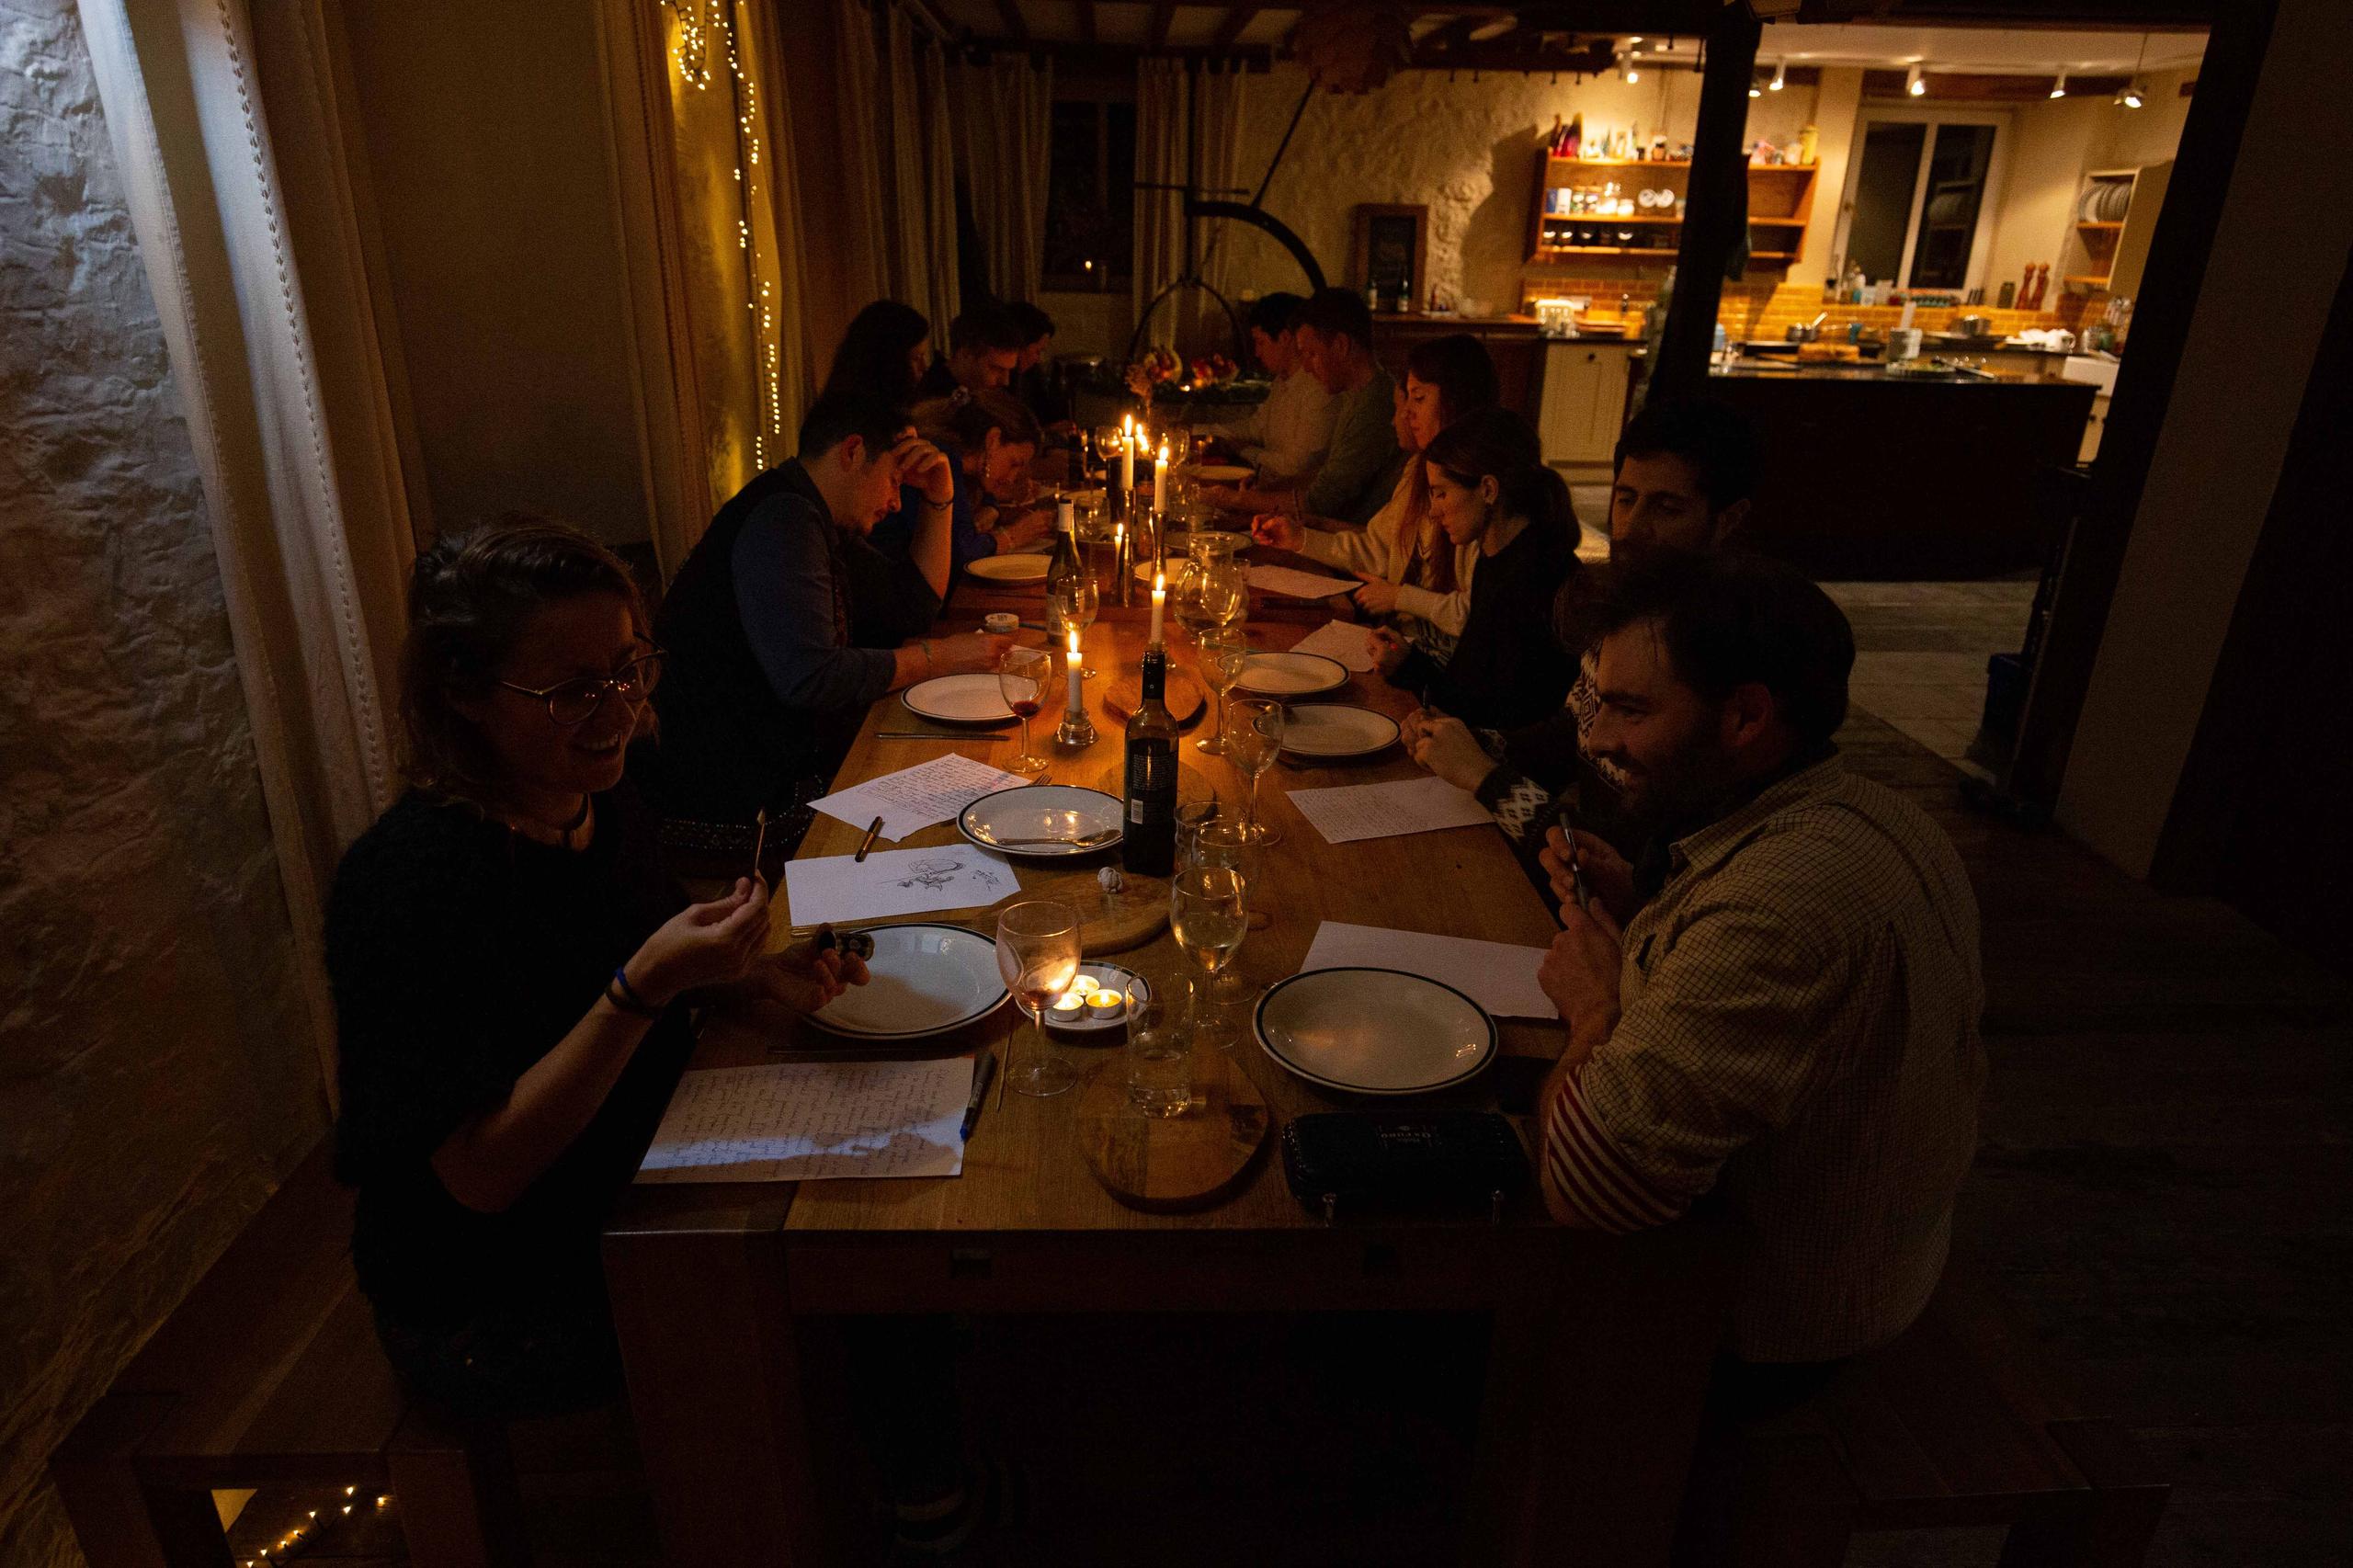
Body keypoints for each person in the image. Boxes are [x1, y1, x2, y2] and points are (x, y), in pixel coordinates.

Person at [330, 518, 864, 1420]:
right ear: (463, 691)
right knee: (834, 1295)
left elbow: (621, 962)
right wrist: (644, 988)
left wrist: (745, 976)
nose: (619, 709)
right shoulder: (409, 882)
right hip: (493, 1294)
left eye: (628, 667)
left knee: (871, 1215)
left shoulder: (597, 797)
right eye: (575, 689)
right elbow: (482, 1174)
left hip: (634, 1175)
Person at [1529, 550, 1984, 1374]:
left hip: (1763, 1324)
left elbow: (1586, 1187)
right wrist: (1646, 912)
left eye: (1631, 710)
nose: (1596, 737)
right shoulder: (1865, 808)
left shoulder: (1782, 907)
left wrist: (1595, 1006)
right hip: (1881, 1259)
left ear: (1746, 718)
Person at [1404, 399, 1761, 854]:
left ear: (1727, 521)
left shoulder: (1715, 657)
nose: (1631, 529)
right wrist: (1470, 742)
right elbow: (1569, 732)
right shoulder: (1623, 608)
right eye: (1626, 499)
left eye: (1667, 508)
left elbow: (1627, 859)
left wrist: (1486, 777)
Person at [643, 392, 1008, 823]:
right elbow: (812, 678)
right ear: (853, 452)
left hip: (769, 759)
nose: (895, 502)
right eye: (894, 478)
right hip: (734, 791)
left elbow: (914, 605)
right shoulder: (784, 520)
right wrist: (939, 657)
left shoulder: (814, 514)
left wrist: (939, 498)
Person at [1250, 331, 1498, 659]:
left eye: (1419, 399)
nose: (1407, 414)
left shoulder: (1476, 495)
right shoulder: (1416, 471)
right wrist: (1299, 539)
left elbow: (1476, 613)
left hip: (1444, 664)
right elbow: (1376, 547)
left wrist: (1399, 597)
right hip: (1399, 647)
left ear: (1455, 400)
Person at [1370, 408, 1579, 732]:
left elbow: (1500, 715)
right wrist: (1406, 663)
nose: (1434, 511)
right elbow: (1468, 686)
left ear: (1488, 490)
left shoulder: (1536, 576)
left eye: (1441, 493)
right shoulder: (1493, 556)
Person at [1206, 288, 1404, 526]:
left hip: (1346, 542)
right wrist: (1265, 491)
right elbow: (1325, 477)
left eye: (1311, 354)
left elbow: (1322, 501)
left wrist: (1235, 500)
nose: (1307, 368)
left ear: (1341, 345)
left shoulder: (1375, 405)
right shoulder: (1356, 394)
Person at [904, 389, 1055, 570]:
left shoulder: (963, 468)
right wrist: (1013, 536)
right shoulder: (942, 462)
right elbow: (960, 555)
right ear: (993, 439)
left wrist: (991, 507)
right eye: (1014, 463)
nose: (1012, 478)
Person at [1202, 291, 1335, 481]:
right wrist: (1201, 431)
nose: (1256, 352)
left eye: (1260, 342)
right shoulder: (1282, 381)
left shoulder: (1318, 389)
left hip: (1287, 496)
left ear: (1285, 338)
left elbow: (1295, 467)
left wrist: (1242, 449)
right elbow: (1257, 427)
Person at [819, 299, 931, 409]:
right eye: (916, 358)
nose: (924, 367)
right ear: (888, 361)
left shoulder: (895, 410)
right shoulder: (854, 418)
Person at [915, 301, 1027, 401]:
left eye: (1009, 370)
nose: (1005, 381)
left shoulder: (985, 395)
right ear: (965, 353)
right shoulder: (934, 402)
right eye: (996, 368)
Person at [1005, 298, 1071, 431]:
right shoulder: (1000, 384)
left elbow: (1047, 414)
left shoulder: (1030, 377)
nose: (1038, 359)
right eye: (1037, 351)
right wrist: (1046, 431)